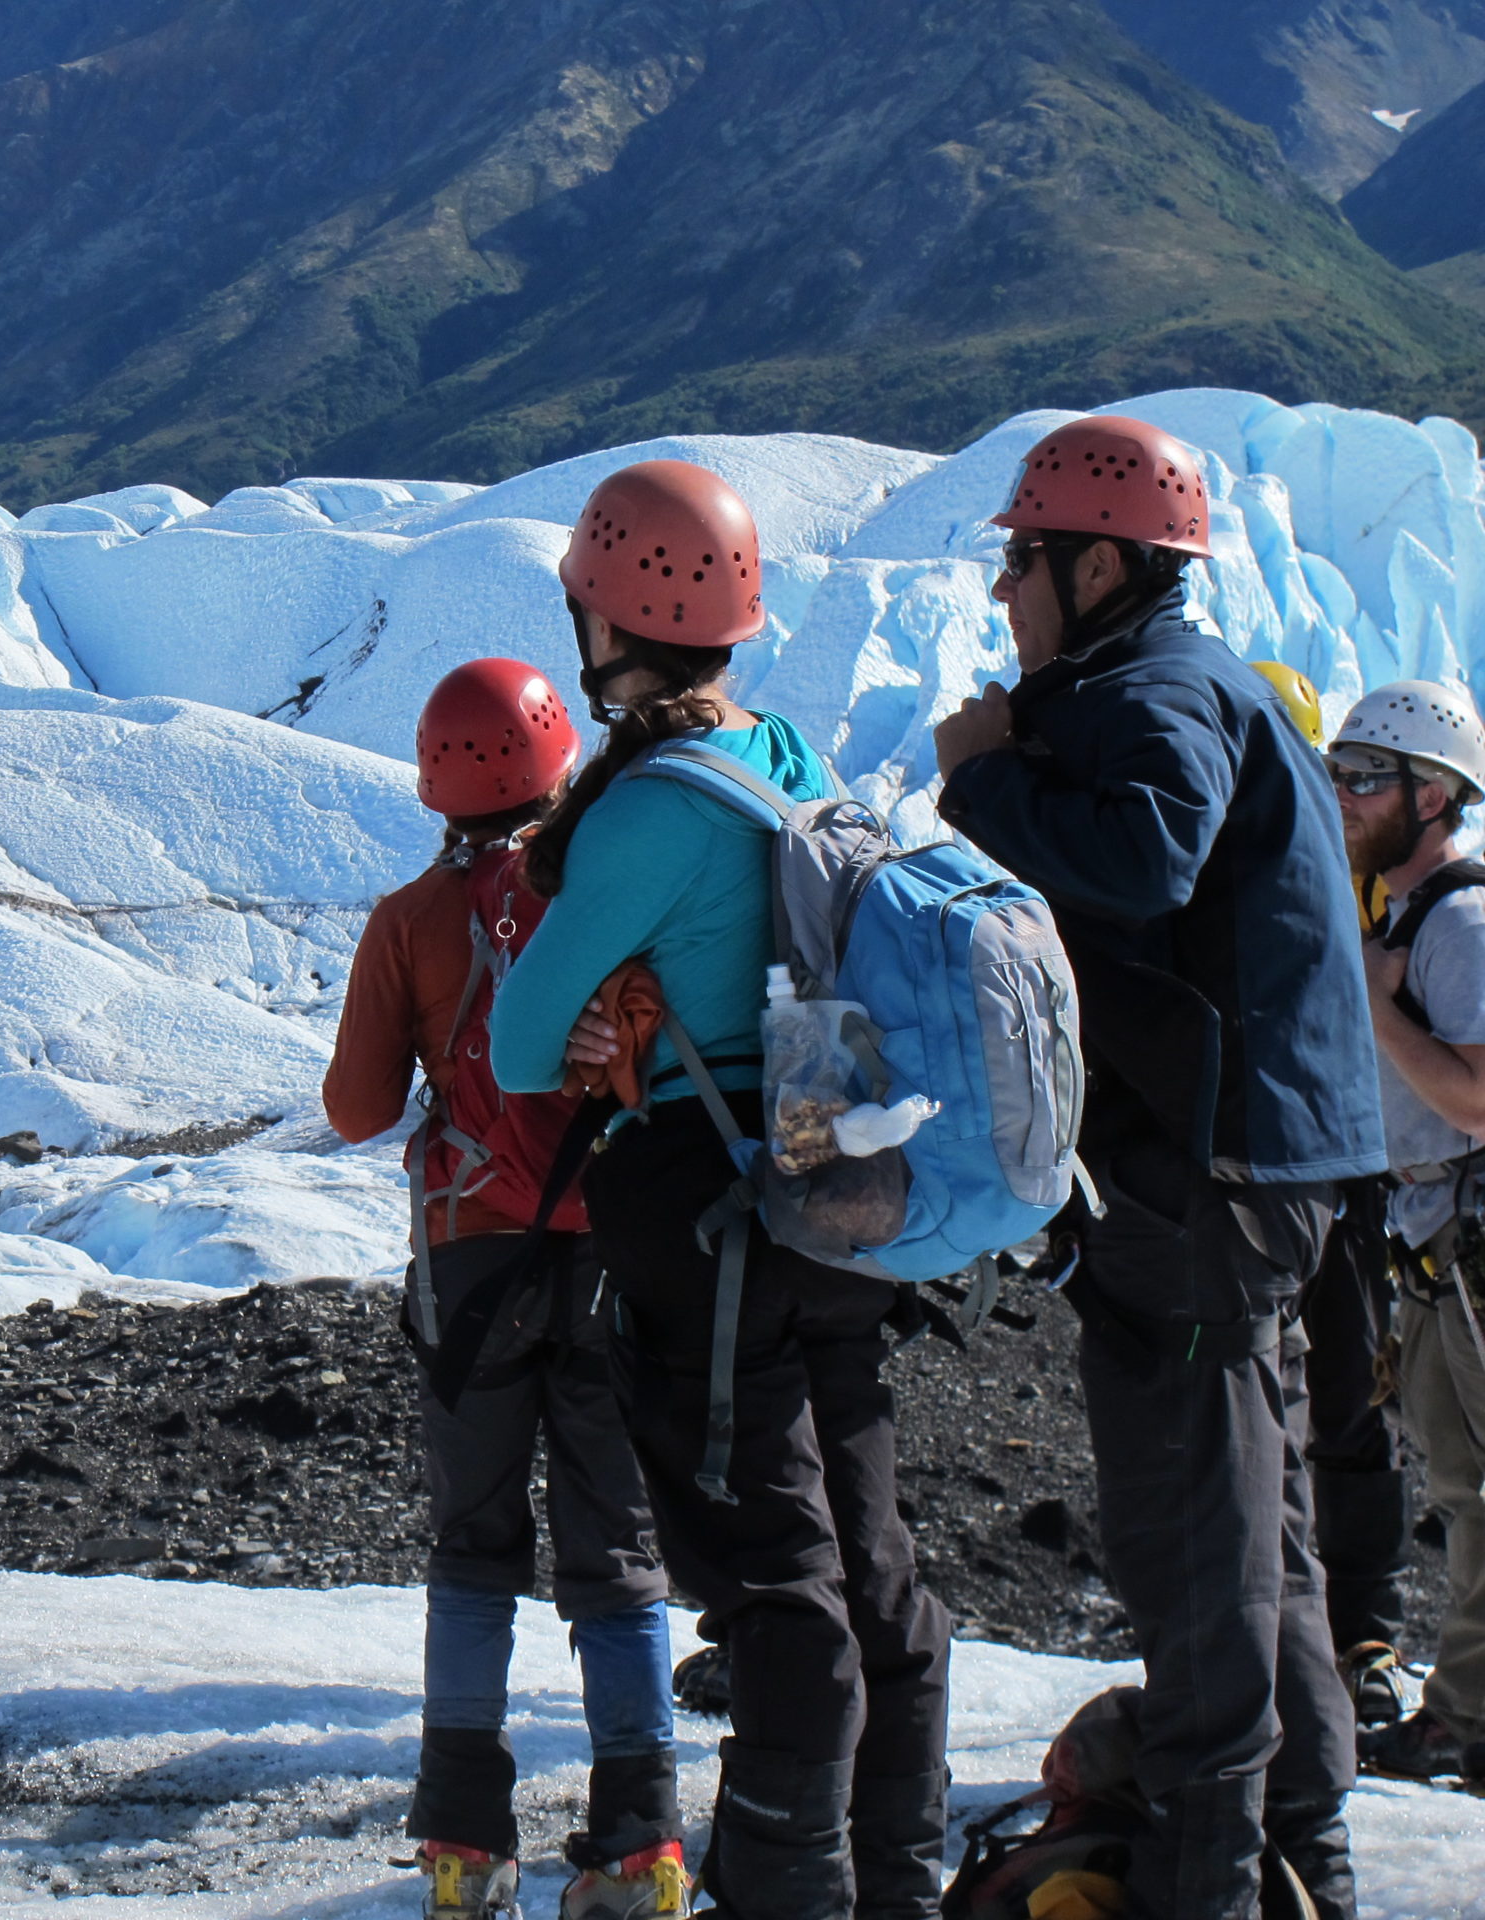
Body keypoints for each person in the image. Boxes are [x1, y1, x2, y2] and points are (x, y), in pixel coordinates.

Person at [930, 416, 1386, 1920]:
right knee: (1270, 1546)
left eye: (1024, 556)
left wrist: (987, 784)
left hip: (1202, 1182)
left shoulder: (1153, 691)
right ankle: (1303, 1864)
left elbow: (1146, 859)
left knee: (1198, 1548)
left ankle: (1210, 1886)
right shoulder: (1197, 683)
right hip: (1269, 1167)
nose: (1007, 589)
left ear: (1103, 562)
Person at [489, 461, 952, 1919]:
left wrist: (604, 1001)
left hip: (707, 1206)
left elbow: (517, 1043)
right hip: (837, 1169)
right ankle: (896, 1884)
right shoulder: (792, 760)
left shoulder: (645, 814)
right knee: (867, 1555)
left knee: (772, 1575)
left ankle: (782, 1896)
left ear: (609, 617)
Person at [325, 657, 687, 1920]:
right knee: (617, 1549)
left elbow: (357, 1110)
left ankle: (465, 1850)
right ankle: (642, 1844)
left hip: (472, 1261)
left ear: (434, 778)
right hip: (614, 1253)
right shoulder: (608, 889)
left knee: (474, 1547)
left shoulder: (410, 919)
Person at [1327, 680, 1485, 1790]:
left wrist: (1374, 1005)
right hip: (1435, 1239)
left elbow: (1478, 1101)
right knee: (1466, 1487)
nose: (1343, 796)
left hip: (1468, 1239)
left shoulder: (1459, 925)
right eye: (1337, 772)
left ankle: (1466, 1716)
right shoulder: (1400, 918)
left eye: (1364, 777)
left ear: (1432, 797)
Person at [1255, 661, 1419, 1726]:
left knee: (1334, 1392)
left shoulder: (1350, 868)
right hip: (1315, 1154)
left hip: (1328, 1161)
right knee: (1334, 1393)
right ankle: (1336, 1625)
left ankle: (1353, 1626)